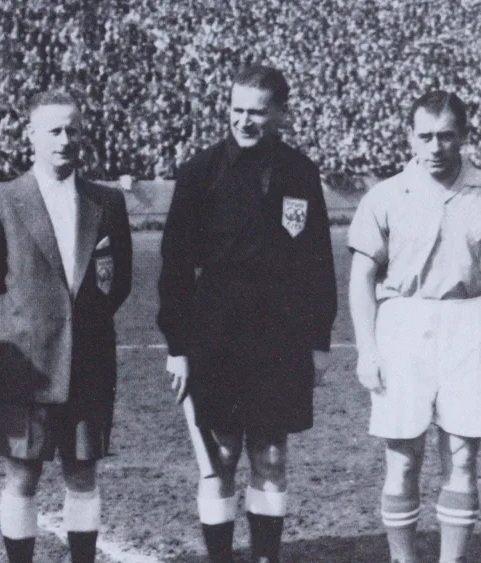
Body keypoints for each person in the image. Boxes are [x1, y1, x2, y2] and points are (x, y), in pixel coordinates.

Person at [348, 91, 481, 563]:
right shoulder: (386, 194)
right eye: (425, 136)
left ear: (463, 135)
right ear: (410, 137)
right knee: (403, 458)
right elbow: (361, 277)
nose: (436, 147)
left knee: (463, 455)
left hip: (470, 321)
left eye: (446, 136)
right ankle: (404, 560)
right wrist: (366, 349)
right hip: (403, 321)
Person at [157, 65, 337, 563]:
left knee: (272, 454)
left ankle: (265, 558)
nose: (245, 120)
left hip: (280, 332)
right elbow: (174, 266)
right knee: (221, 457)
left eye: (257, 111)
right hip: (215, 330)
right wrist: (177, 347)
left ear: (280, 112)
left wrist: (319, 340)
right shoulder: (200, 171)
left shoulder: (301, 172)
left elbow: (319, 259)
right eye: (237, 109)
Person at [0, 89, 132, 563]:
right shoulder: (2, 200)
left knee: (83, 475)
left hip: (89, 362)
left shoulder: (107, 202)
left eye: (73, 130)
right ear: (31, 135)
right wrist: (18, 337)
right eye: (54, 130)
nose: (64, 140)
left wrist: (79, 332)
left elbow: (118, 284)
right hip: (27, 369)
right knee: (22, 476)